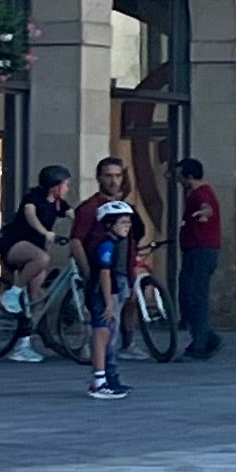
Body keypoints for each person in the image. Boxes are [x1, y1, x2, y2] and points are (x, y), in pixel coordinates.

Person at [74, 158, 146, 399]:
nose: (113, 181)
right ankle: (104, 377)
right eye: (108, 176)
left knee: (111, 329)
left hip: (122, 276)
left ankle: (110, 376)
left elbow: (131, 245)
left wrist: (133, 276)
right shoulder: (90, 208)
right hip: (103, 277)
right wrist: (87, 275)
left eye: (117, 176)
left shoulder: (124, 209)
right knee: (105, 330)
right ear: (99, 177)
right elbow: (76, 242)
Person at [0, 168, 73, 363]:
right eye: (66, 184)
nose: (68, 188)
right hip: (15, 244)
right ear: (55, 186)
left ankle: (23, 345)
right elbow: (31, 216)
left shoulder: (60, 203)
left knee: (37, 300)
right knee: (43, 259)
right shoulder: (33, 199)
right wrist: (46, 233)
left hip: (36, 249)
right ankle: (13, 292)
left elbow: (75, 215)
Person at [173, 158, 226, 359]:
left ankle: (200, 344)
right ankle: (207, 338)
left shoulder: (200, 193)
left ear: (189, 176)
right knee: (188, 295)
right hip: (196, 251)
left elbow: (207, 208)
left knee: (196, 297)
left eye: (180, 175)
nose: (177, 180)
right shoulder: (195, 193)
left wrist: (203, 214)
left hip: (200, 251)